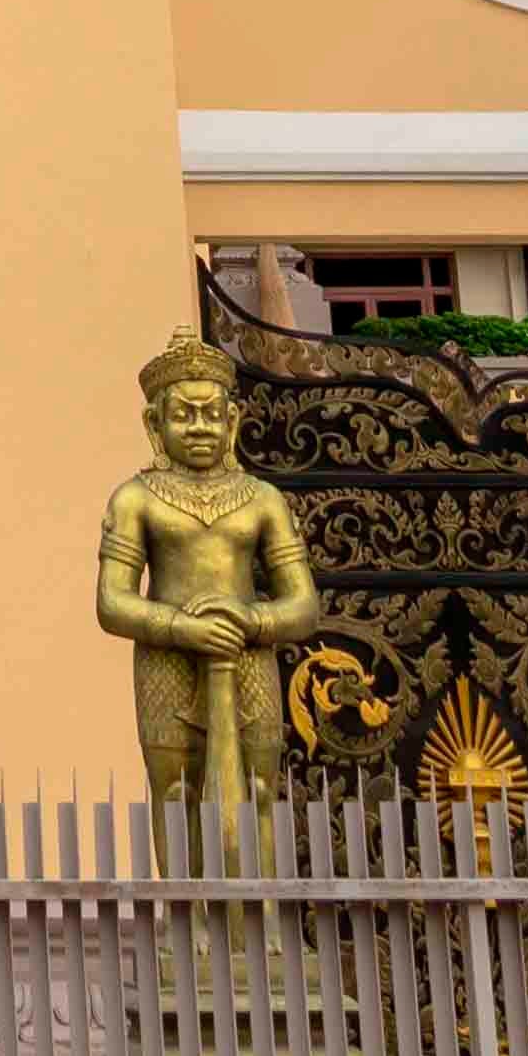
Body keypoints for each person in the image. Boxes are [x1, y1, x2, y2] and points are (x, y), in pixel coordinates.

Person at [92, 336, 322, 837]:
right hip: (167, 661)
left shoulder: (262, 499)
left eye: (211, 415)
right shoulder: (135, 500)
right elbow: (111, 601)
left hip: (247, 655)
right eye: (183, 416)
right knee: (177, 793)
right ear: (154, 425)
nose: (199, 427)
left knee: (259, 791)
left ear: (231, 422)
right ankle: (187, 893)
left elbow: (304, 606)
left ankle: (259, 890)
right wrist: (179, 627)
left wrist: (252, 619)